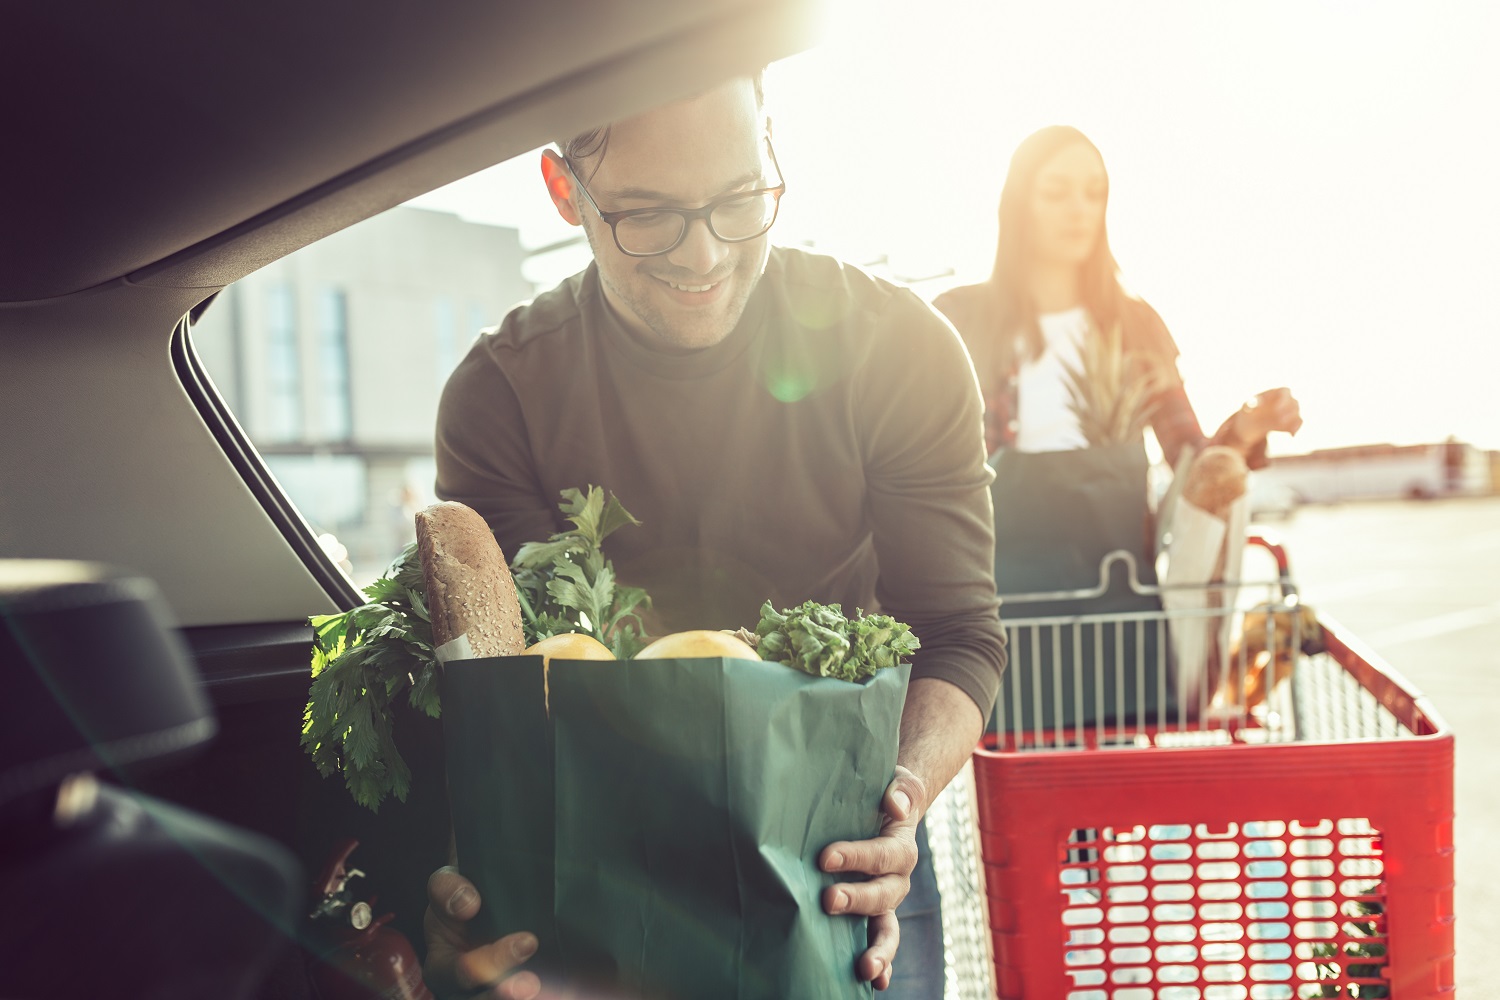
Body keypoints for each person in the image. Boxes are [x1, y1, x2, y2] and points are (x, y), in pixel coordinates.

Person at [425, 75, 1005, 1000]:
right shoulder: (503, 397)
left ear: (771, 146)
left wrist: (898, 807)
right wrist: (480, 865)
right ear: (562, 189)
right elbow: (519, 681)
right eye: (648, 216)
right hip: (604, 847)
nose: (704, 255)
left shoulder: (902, 351)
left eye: (739, 202)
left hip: (845, 839)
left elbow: (959, 634)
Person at [931, 125, 1302, 596]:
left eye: (1094, 193)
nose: (1079, 210)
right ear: (1019, 202)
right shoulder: (960, 320)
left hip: (1120, 611)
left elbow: (1192, 466)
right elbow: (919, 467)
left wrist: (1247, 430)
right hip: (999, 611)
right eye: (1056, 191)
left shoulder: (1136, 327)